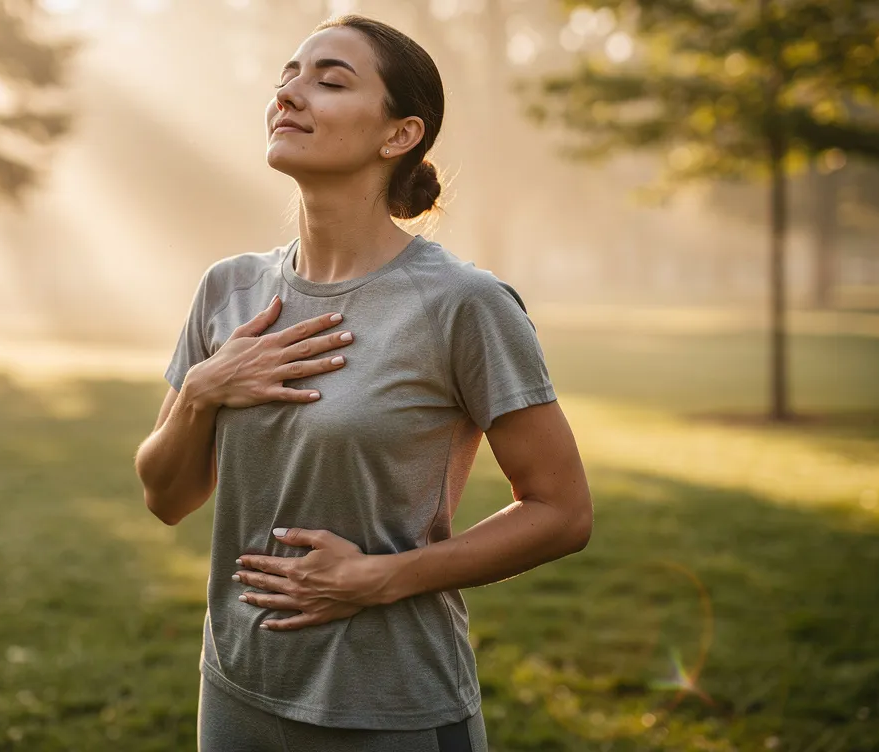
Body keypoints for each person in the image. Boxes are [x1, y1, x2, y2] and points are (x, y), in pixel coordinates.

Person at [134, 13, 593, 752]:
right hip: (235, 691)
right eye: (288, 75)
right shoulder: (228, 289)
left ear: (399, 134)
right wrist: (202, 391)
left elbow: (562, 512)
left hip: (390, 704)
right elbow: (167, 496)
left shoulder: (462, 304)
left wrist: (381, 579)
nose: (290, 93)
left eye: (329, 79)